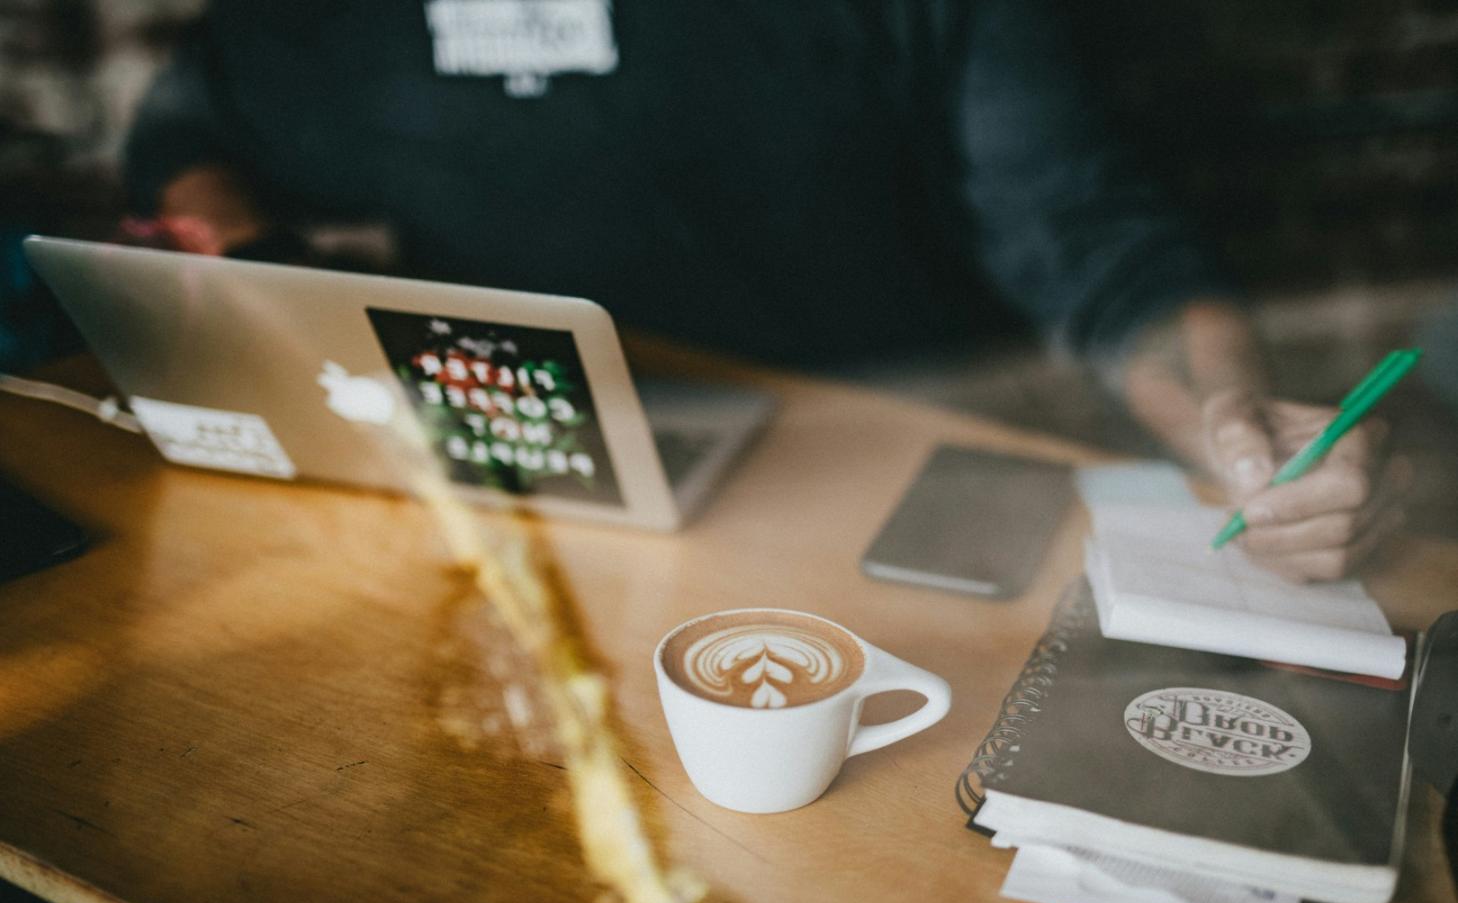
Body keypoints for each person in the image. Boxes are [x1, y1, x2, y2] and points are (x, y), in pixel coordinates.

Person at [120, 0, 1409, 581]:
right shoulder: (321, 22)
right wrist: (227, 244)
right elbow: (193, 117)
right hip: (512, 509)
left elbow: (1102, 250)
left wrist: (1243, 428)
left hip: (882, 513)